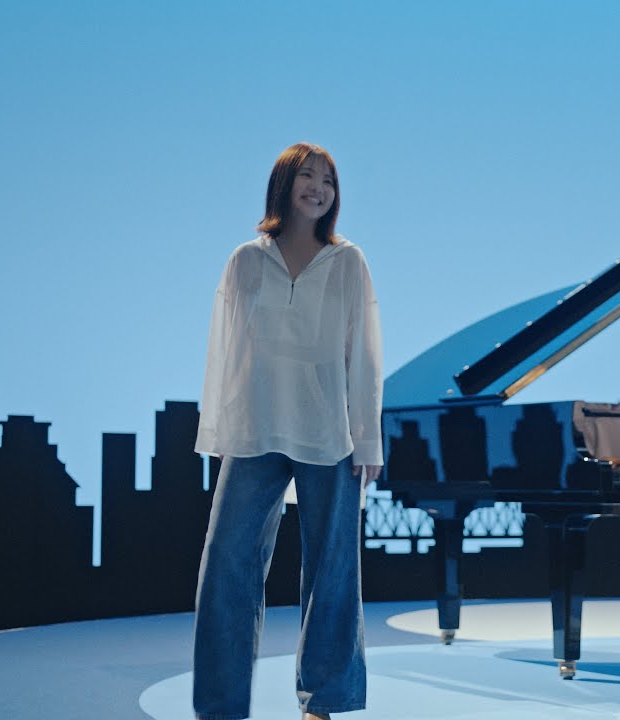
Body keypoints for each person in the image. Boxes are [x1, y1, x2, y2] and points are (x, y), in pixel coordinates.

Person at [192, 142, 383, 719]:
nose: (318, 188)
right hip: (256, 428)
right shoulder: (245, 261)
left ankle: (324, 700)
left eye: (328, 180)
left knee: (332, 569)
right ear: (283, 183)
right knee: (227, 565)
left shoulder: (347, 261)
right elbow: (225, 352)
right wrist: (220, 429)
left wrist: (367, 439)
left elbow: (363, 354)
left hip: (330, 432)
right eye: (307, 176)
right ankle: (220, 706)